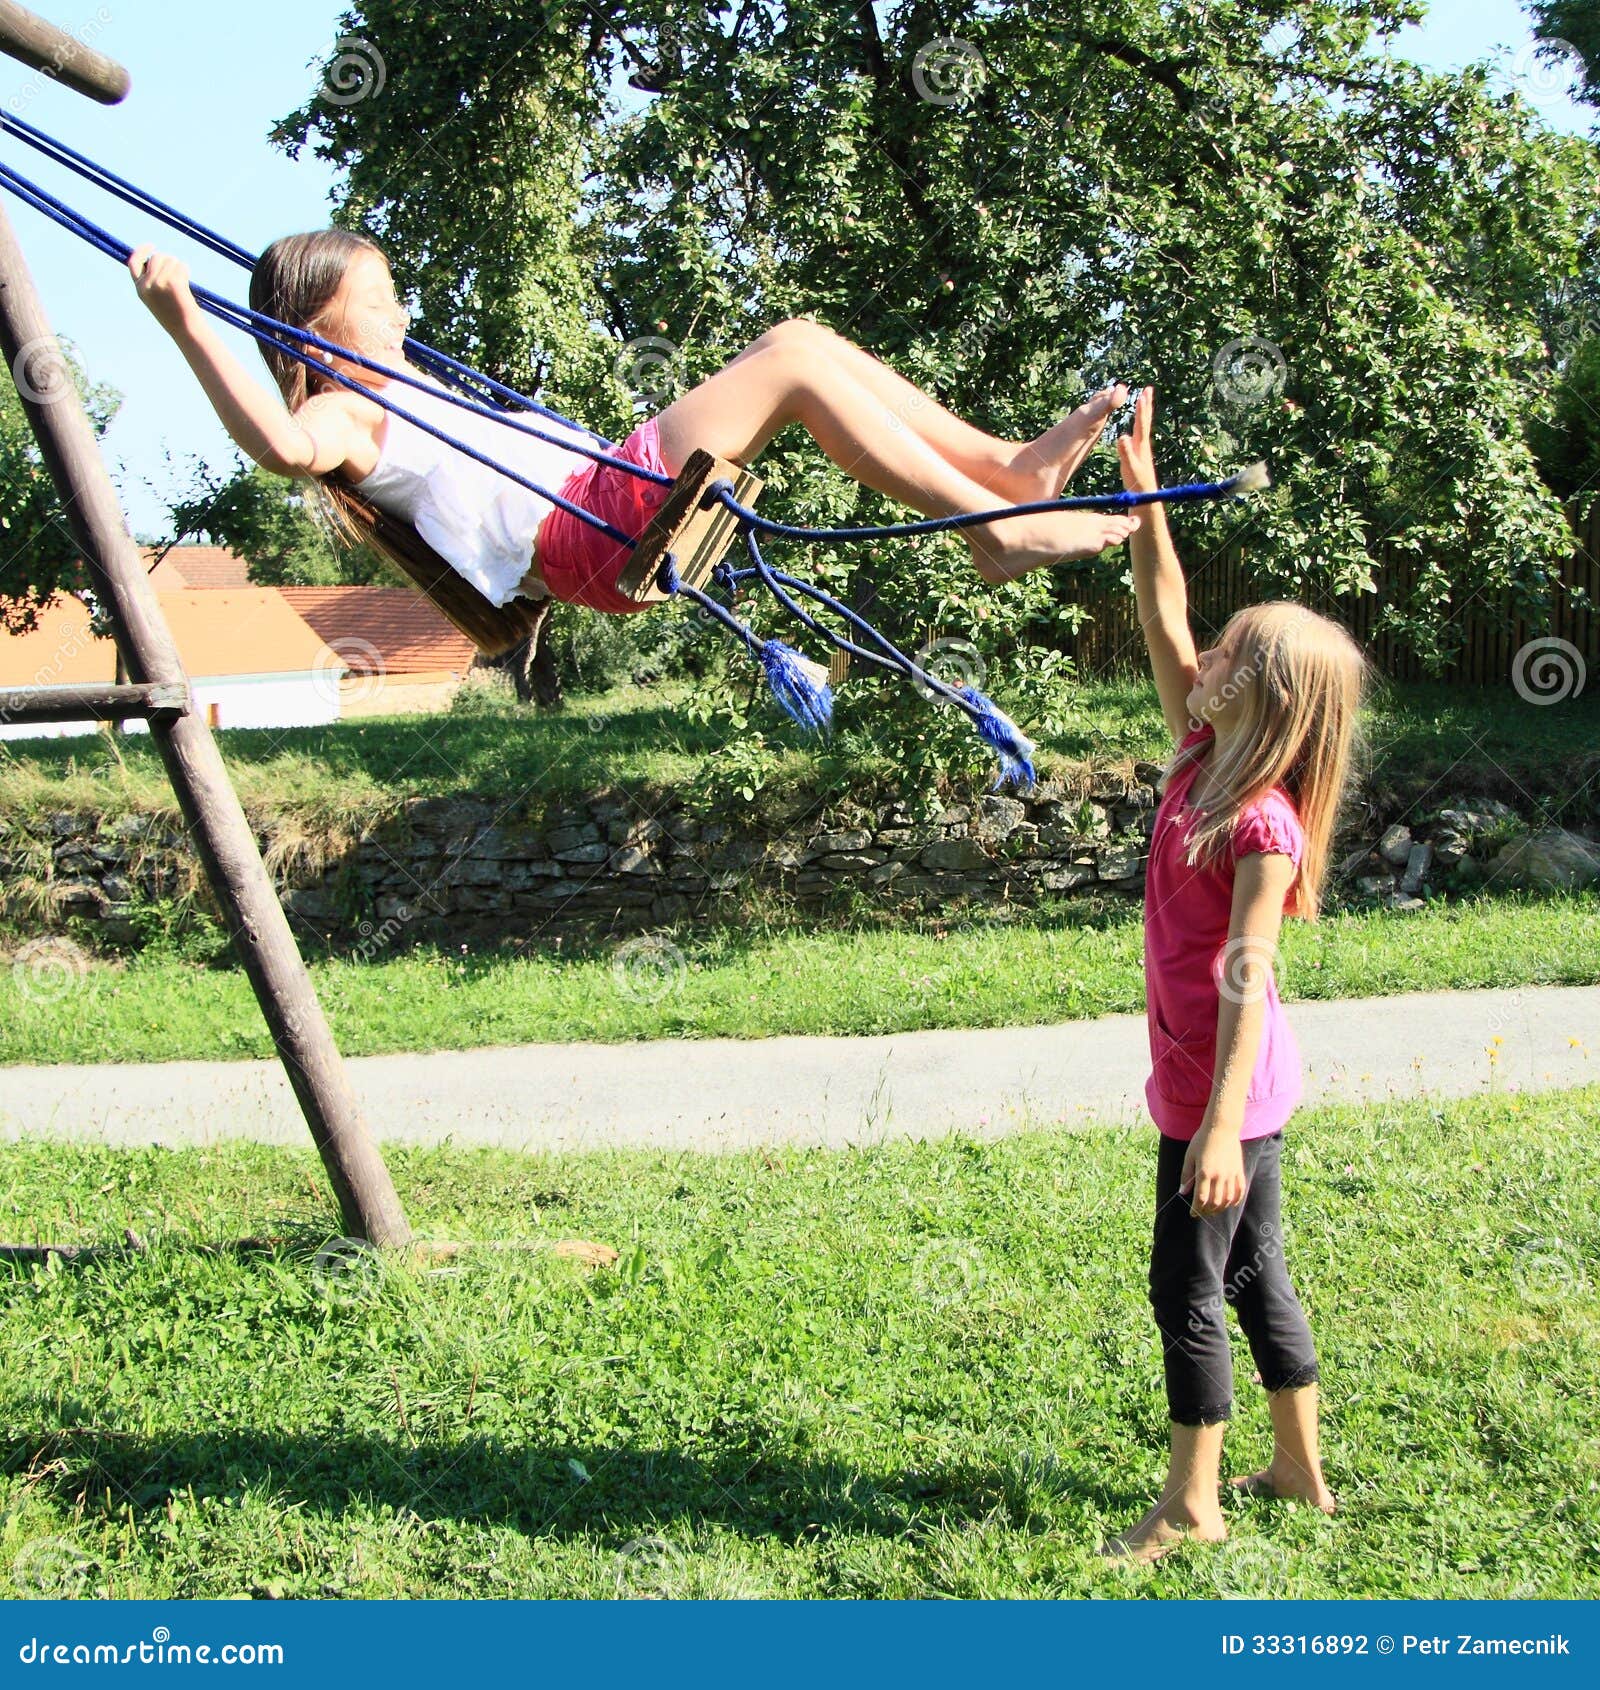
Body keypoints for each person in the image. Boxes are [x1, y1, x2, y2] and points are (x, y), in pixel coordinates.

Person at [128, 229, 1141, 618]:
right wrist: (187, 327)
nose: (402, 315)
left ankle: (1006, 473)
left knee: (797, 337)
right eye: (381, 299)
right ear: (313, 334)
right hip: (585, 526)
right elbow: (276, 443)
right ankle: (992, 529)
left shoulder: (392, 394)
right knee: (789, 362)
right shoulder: (344, 413)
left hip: (594, 505)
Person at [1104, 385, 1371, 1561]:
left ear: (1261, 696)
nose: (1198, 654)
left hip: (1227, 1093)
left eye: (1225, 652)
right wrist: (1141, 482)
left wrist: (1215, 1132)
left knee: (1186, 1286)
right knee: (1258, 1269)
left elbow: (1249, 977)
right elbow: (1162, 610)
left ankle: (1192, 1501)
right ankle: (1299, 1470)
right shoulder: (1197, 758)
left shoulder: (1259, 822)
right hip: (1213, 1085)